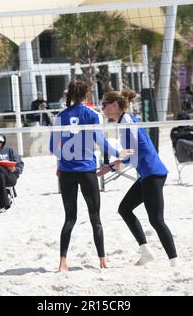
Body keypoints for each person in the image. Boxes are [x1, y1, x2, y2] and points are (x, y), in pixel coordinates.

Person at [49, 81, 133, 272]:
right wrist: (119, 154)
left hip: (66, 173)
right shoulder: (92, 114)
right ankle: (102, 261)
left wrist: (64, 160)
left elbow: (52, 148)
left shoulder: (60, 116)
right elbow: (101, 143)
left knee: (69, 218)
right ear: (87, 95)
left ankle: (62, 262)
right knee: (95, 217)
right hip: (87, 171)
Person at [97, 89, 178, 267]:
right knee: (125, 209)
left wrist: (110, 166)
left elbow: (129, 153)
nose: (102, 108)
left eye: (105, 105)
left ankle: (174, 262)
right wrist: (112, 164)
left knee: (156, 220)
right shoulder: (125, 121)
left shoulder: (127, 122)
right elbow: (129, 153)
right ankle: (146, 252)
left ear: (115, 105)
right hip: (146, 174)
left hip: (153, 174)